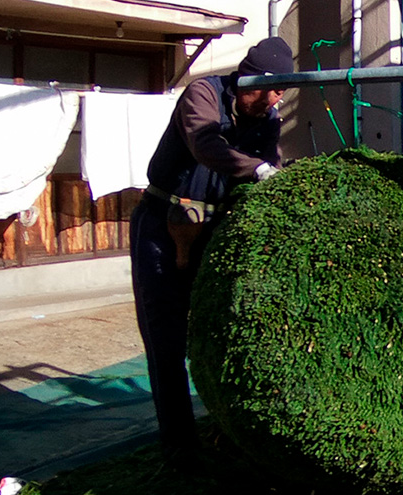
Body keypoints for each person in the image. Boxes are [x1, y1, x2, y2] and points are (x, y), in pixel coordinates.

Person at [129, 37, 294, 460]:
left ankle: (225, 427)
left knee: (218, 328)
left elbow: (268, 165)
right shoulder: (204, 94)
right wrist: (258, 169)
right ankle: (180, 447)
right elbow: (206, 145)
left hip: (212, 228)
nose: (277, 98)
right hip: (163, 228)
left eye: (283, 90)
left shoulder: (267, 117)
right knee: (165, 339)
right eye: (273, 88)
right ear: (247, 79)